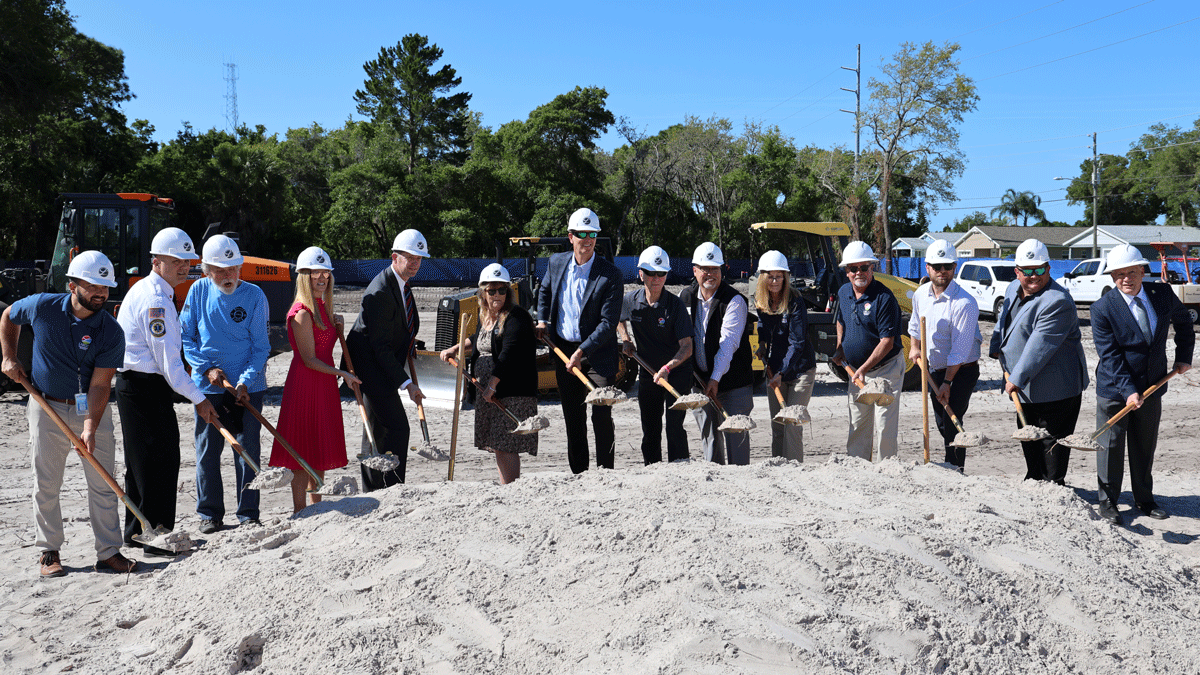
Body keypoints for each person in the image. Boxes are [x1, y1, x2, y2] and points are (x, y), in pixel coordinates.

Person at [0, 250, 137, 576]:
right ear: (73, 284)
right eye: (94, 286)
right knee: (46, 482)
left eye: (105, 287)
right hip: (45, 405)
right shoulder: (42, 307)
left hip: (90, 407)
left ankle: (108, 553)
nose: (101, 293)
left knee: (103, 481)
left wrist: (89, 427)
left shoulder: (111, 331)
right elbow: (8, 317)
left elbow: (101, 386)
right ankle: (49, 552)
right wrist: (9, 356)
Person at [116, 228, 219, 555]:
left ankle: (136, 532)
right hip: (145, 386)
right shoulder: (156, 300)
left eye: (187, 261)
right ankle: (157, 539)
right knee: (159, 462)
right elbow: (170, 365)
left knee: (141, 463)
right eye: (176, 261)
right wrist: (200, 399)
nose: (184, 266)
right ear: (156, 261)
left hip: (139, 386)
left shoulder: (150, 289)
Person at [1090, 244, 1194, 523]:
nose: (1126, 279)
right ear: (1112, 277)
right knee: (1110, 447)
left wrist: (1183, 356)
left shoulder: (1161, 294)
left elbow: (1184, 322)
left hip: (1154, 383)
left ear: (1142, 271)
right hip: (1114, 389)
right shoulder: (1102, 308)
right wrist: (1128, 392)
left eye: (1132, 272)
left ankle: (1144, 499)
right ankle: (1108, 502)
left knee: (1144, 445)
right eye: (1119, 274)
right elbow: (1110, 356)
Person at [181, 235, 271, 533]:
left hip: (248, 387)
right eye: (220, 270)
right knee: (208, 450)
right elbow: (187, 338)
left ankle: (248, 513)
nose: (228, 275)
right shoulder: (197, 292)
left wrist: (244, 382)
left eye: (233, 268)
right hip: (207, 387)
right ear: (206, 270)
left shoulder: (255, 296)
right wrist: (206, 369)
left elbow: (260, 347)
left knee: (247, 449)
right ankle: (209, 513)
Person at [989, 238, 1089, 484]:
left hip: (1056, 388)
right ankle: (1033, 480)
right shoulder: (1013, 287)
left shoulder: (1057, 301)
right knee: (1029, 438)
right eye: (1027, 271)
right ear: (1017, 271)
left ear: (1048, 268)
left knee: (1050, 446)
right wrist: (996, 347)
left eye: (1040, 270)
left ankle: (1054, 487)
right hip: (1024, 385)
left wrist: (1016, 378)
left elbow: (1039, 346)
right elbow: (1004, 321)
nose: (1033, 276)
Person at [269, 247, 360, 513]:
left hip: (324, 384)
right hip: (306, 385)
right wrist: (342, 374)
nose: (322, 278)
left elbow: (326, 342)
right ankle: (300, 510)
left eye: (325, 273)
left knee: (318, 447)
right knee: (301, 450)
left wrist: (337, 323)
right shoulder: (302, 313)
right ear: (303, 277)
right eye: (314, 273)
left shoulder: (322, 308)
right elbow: (309, 359)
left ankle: (315, 507)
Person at [534, 207, 623, 473]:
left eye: (592, 234)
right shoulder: (556, 262)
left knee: (601, 413)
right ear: (570, 236)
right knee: (573, 417)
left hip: (598, 353)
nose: (588, 239)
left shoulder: (610, 275)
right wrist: (542, 321)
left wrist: (582, 351)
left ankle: (606, 472)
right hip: (564, 350)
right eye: (582, 234)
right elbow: (545, 291)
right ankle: (579, 474)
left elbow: (608, 324)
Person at [440, 263, 538, 483]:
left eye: (501, 290)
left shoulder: (516, 317)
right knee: (497, 444)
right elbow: (478, 341)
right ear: (482, 293)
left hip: (510, 391)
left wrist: (493, 384)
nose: (497, 295)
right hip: (490, 392)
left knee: (505, 443)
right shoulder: (486, 316)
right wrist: (455, 349)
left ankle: (510, 486)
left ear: (508, 292)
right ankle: (506, 485)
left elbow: (508, 354)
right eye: (491, 290)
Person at [347, 229, 429, 490]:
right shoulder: (382, 290)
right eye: (410, 257)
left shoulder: (401, 284)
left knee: (380, 429)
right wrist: (407, 384)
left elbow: (398, 326)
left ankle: (381, 488)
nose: (416, 263)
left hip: (380, 365)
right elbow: (379, 346)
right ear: (395, 257)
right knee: (395, 428)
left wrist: (407, 343)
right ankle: (389, 488)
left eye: (419, 258)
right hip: (370, 369)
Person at [906, 240, 982, 472]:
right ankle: (952, 461)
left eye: (947, 266)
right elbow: (915, 325)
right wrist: (915, 347)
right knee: (941, 420)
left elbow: (959, 350)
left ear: (954, 267)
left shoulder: (965, 303)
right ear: (927, 267)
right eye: (937, 266)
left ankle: (955, 467)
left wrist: (947, 382)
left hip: (961, 371)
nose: (942, 271)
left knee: (952, 420)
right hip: (934, 370)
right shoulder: (920, 294)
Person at [679, 242, 755, 465]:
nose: (710, 274)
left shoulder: (734, 300)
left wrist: (715, 379)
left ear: (722, 270)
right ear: (695, 270)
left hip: (734, 384)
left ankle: (742, 487)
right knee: (710, 441)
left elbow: (728, 344)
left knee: (737, 440)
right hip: (700, 383)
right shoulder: (685, 297)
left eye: (715, 269)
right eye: (705, 268)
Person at [617, 246, 694, 464]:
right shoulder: (630, 300)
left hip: (676, 372)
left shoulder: (675, 305)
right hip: (648, 371)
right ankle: (652, 469)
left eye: (661, 273)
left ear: (666, 275)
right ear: (641, 274)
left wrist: (667, 368)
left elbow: (687, 347)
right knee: (650, 427)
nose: (656, 278)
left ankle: (679, 468)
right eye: (651, 273)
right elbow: (617, 318)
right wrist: (625, 339)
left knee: (674, 426)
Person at [832, 241, 904, 462]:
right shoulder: (844, 292)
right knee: (858, 422)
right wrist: (840, 347)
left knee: (884, 424)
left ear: (873, 268)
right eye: (854, 268)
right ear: (847, 272)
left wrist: (862, 369)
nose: (859, 273)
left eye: (864, 267)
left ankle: (886, 469)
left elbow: (887, 342)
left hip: (886, 368)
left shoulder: (884, 297)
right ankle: (858, 468)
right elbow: (841, 320)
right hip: (856, 371)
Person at [754, 250, 816, 462]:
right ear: (763, 278)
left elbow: (797, 343)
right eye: (770, 276)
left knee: (792, 424)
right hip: (776, 369)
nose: (774, 281)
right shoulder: (761, 300)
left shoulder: (795, 301)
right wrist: (762, 344)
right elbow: (762, 324)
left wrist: (781, 371)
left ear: (785, 277)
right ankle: (778, 470)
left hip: (800, 371)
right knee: (778, 425)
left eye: (779, 276)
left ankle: (795, 471)